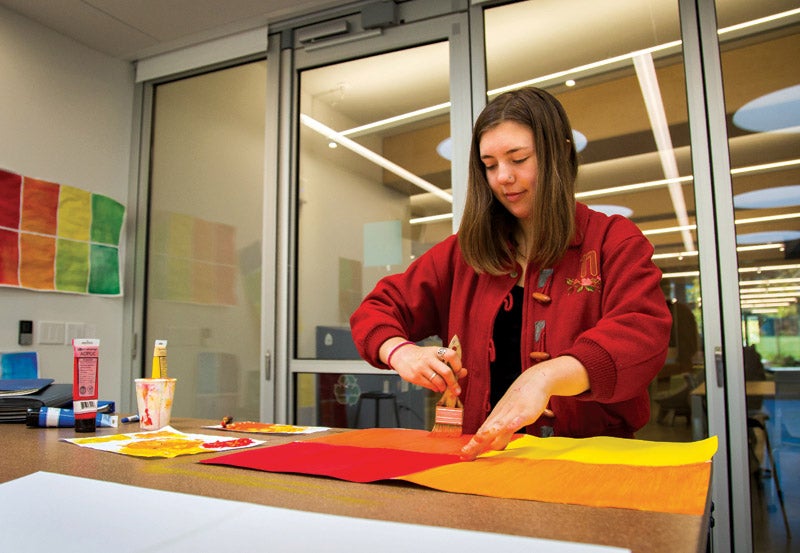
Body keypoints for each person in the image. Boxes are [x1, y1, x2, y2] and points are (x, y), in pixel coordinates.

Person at [349, 86, 672, 461]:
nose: (503, 177)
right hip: (482, 462)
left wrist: (545, 376)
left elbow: (642, 333)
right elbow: (376, 310)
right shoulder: (463, 253)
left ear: (561, 152)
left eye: (518, 158)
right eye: (489, 165)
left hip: (589, 463)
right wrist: (401, 353)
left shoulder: (612, 241)